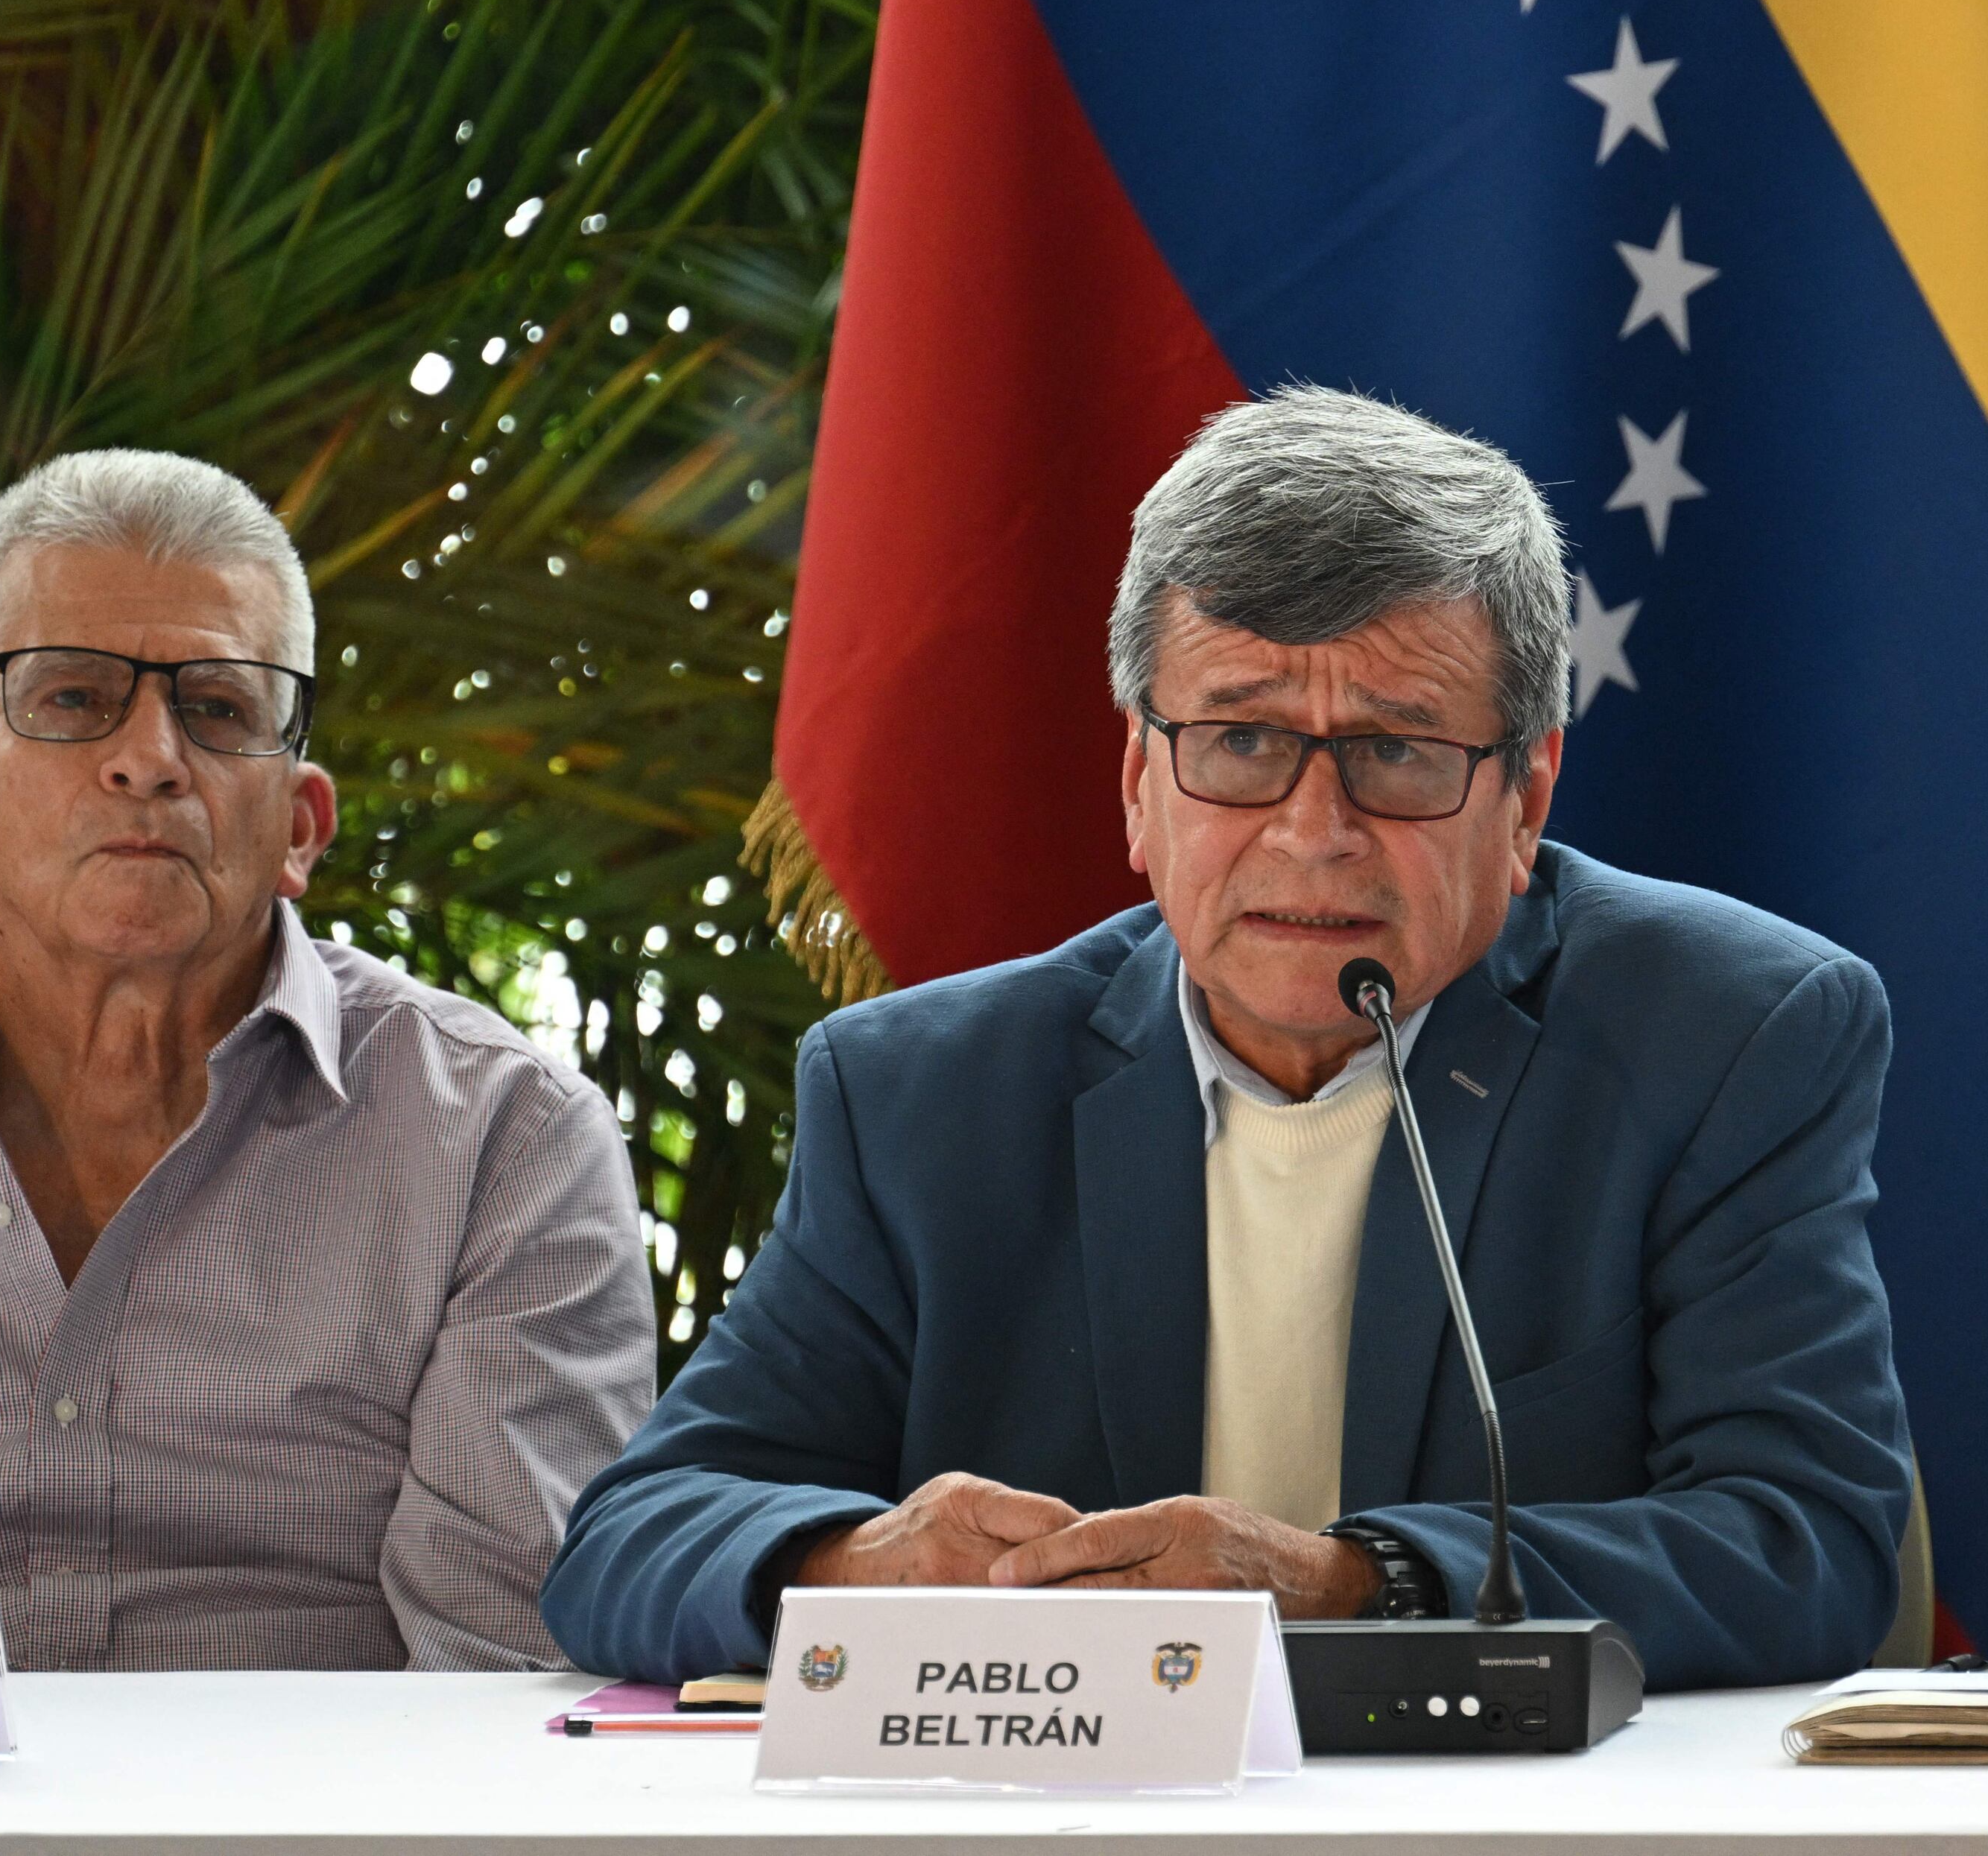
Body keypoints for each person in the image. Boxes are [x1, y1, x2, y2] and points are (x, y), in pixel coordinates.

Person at [539, 387, 1913, 1690]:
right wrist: (857, 1563)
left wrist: (1358, 1583)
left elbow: (1805, 1541)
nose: (1315, 833)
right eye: (1243, 742)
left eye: (1397, 751)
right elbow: (631, 1536)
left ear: (1526, 798)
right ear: (1141, 785)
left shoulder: (1727, 1037)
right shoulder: (923, 1093)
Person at [0, 450, 653, 1669]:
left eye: (220, 707)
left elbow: (497, 1695)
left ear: (301, 828)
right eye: (74, 696)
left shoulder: (505, 1145)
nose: (151, 756)